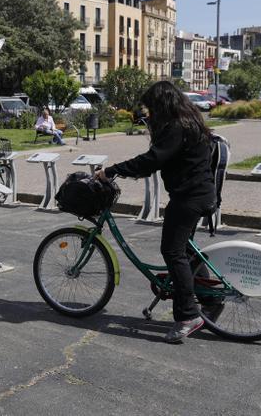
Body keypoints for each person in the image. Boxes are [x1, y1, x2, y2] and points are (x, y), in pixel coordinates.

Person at [95, 81, 218, 343]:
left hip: (189, 197)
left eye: (151, 107)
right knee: (184, 248)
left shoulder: (176, 127)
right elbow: (160, 157)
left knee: (172, 251)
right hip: (200, 193)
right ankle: (210, 302)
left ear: (162, 104)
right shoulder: (190, 121)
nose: (149, 112)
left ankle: (188, 315)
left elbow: (153, 159)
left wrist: (112, 170)